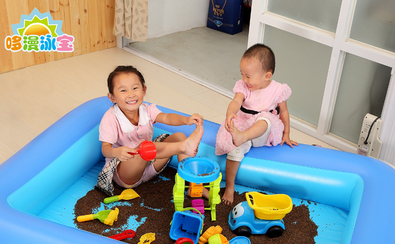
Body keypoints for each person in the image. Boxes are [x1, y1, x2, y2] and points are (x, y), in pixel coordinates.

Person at [96, 65, 204, 196]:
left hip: (150, 165)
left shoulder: (147, 109)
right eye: (123, 90)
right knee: (144, 147)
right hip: (127, 173)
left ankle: (194, 185)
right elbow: (105, 149)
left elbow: (167, 117)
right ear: (112, 97)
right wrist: (116, 152)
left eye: (135, 88)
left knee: (179, 136)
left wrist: (186, 120)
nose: (131, 94)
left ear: (144, 90)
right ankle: (184, 147)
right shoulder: (111, 118)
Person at [215, 44, 298, 204]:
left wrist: (287, 134)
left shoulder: (278, 90)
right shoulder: (244, 87)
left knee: (265, 119)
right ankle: (230, 186)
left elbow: (284, 112)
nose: (244, 79)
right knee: (234, 149)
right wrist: (230, 112)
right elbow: (236, 101)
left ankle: (243, 137)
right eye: (242, 74)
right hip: (244, 127)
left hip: (263, 134)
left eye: (248, 76)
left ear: (267, 75)